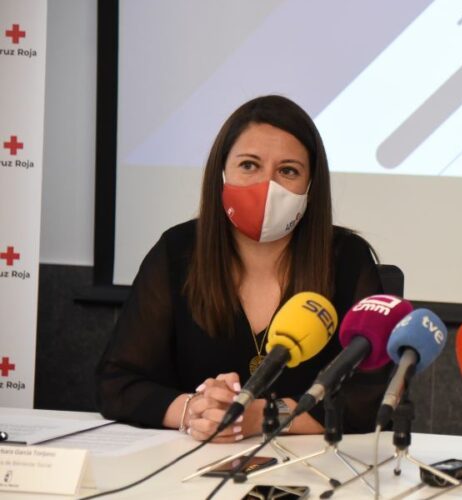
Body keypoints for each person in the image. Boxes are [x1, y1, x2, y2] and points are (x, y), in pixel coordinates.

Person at [96, 95, 389, 442]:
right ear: (222, 173)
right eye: (249, 165)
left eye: (288, 171)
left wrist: (262, 417)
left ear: (311, 186)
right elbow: (116, 383)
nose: (267, 185)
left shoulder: (348, 259)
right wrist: (195, 411)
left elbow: (368, 399)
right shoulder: (177, 252)